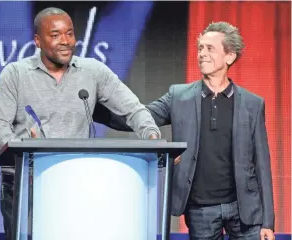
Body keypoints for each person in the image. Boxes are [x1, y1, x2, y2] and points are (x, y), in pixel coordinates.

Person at [0, 7, 161, 240]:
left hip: (76, 181)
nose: (65, 41)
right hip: (24, 185)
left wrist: (152, 136)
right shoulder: (15, 74)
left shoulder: (93, 71)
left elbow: (134, 109)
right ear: (38, 41)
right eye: (56, 35)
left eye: (69, 34)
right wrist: (20, 146)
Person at [94, 21, 275, 240]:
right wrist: (97, 111)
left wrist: (268, 222)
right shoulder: (179, 96)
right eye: (200, 48)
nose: (202, 54)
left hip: (245, 209)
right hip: (201, 210)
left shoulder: (252, 104)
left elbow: (262, 165)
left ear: (230, 56)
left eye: (210, 48)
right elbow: (139, 117)